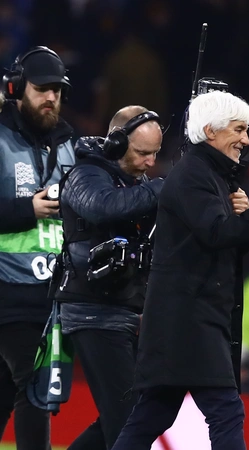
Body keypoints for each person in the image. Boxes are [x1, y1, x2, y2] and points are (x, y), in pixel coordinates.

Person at [111, 90, 249, 450]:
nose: (246, 140)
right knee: (225, 412)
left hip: (187, 319)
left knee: (153, 415)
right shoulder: (194, 175)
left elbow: (224, 242)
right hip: (191, 320)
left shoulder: (212, 176)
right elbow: (217, 233)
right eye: (238, 129)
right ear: (210, 131)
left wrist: (248, 216)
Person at [56, 105, 164, 449]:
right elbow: (102, 206)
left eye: (155, 153)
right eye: (143, 152)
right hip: (92, 310)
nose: (150, 162)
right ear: (117, 143)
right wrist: (160, 189)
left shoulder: (136, 184)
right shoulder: (85, 173)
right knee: (129, 421)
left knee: (126, 418)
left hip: (123, 309)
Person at [0, 46, 74, 449]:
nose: (50, 98)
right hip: (8, 294)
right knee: (35, 386)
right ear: (16, 88)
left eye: (56, 91)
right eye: (42, 89)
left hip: (49, 297)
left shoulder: (69, 146)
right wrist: (26, 209)